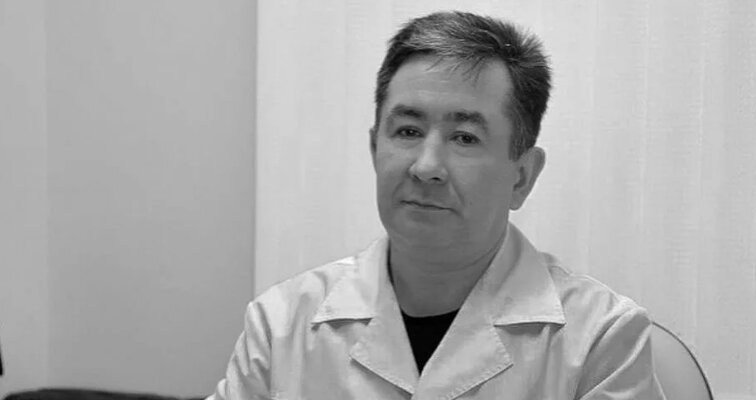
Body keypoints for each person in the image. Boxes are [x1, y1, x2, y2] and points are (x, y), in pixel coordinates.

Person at [209, 11, 666, 400]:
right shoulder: (281, 325)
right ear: (374, 149)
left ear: (522, 177)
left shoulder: (600, 339)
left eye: (464, 138)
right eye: (407, 131)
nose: (426, 166)